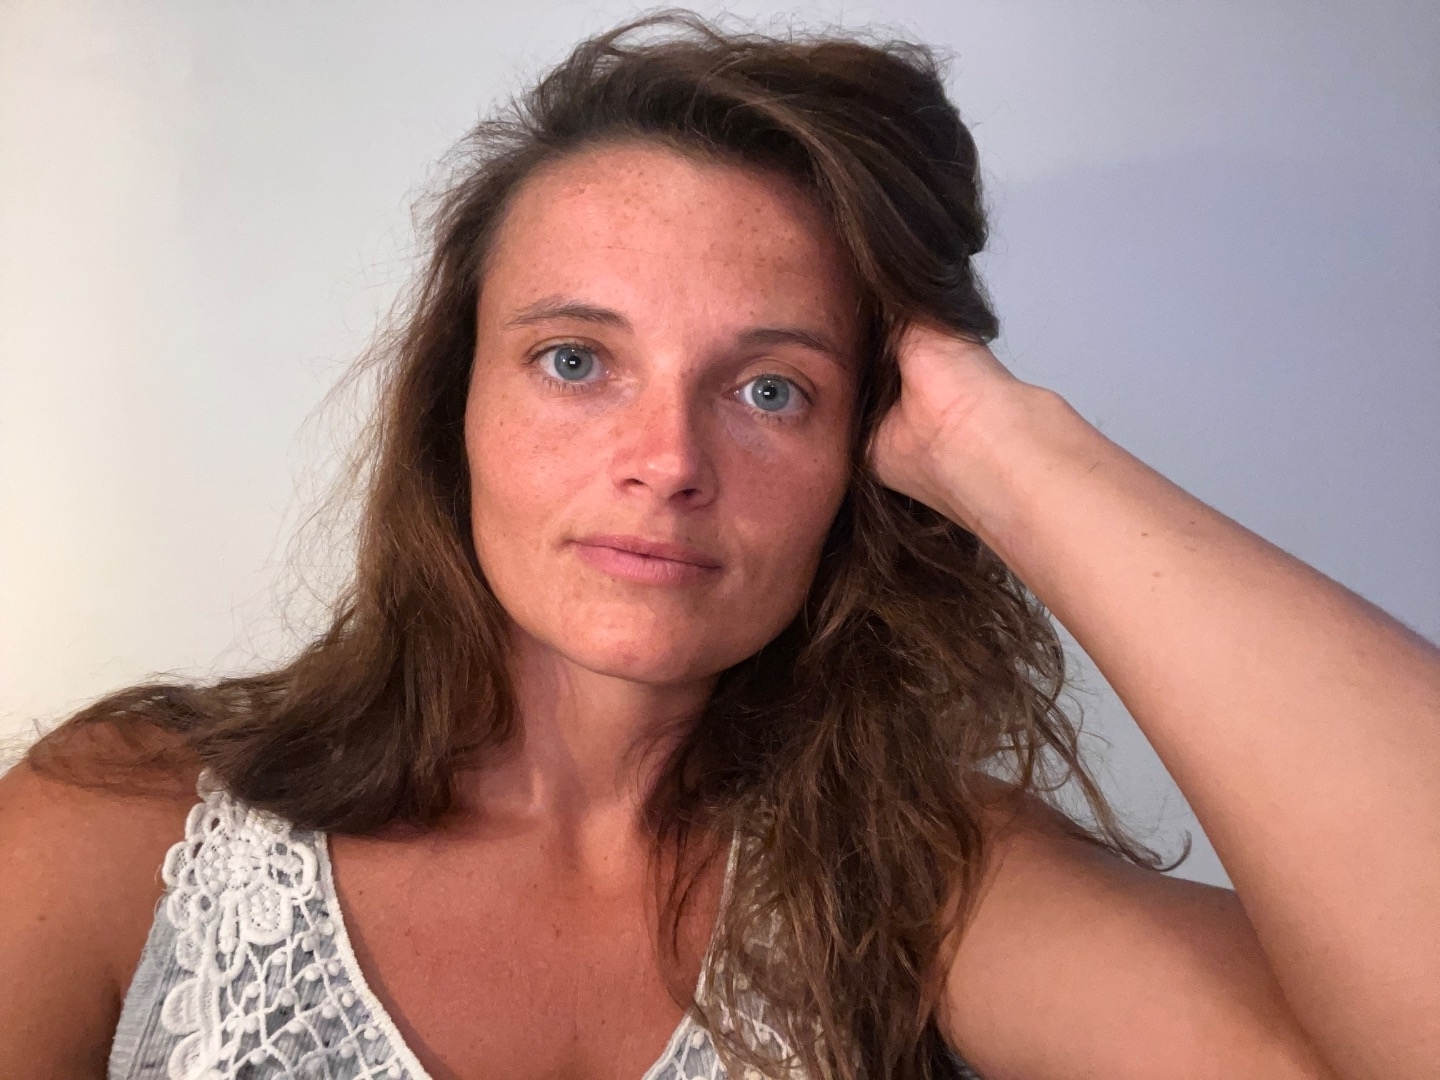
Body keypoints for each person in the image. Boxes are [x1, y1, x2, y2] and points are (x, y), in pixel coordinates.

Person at [1, 11, 1435, 1080]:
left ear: (865, 451)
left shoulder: (924, 884)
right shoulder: (122, 824)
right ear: (454, 411)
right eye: (576, 361)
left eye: (771, 390)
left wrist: (1012, 451)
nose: (671, 462)